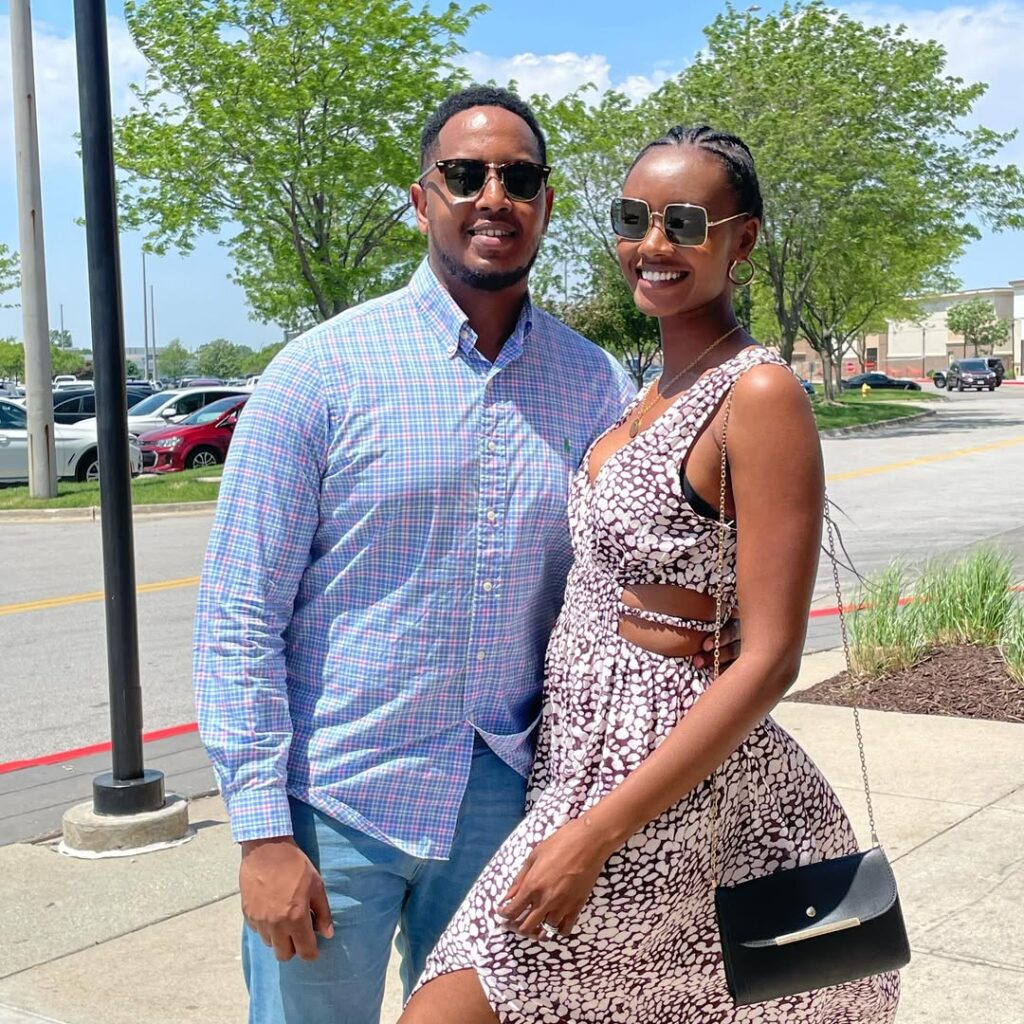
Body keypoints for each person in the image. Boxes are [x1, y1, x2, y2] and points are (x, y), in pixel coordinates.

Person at [193, 89, 737, 1024]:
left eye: (519, 178)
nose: (494, 196)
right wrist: (262, 834)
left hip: (508, 798)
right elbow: (239, 616)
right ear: (422, 199)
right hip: (337, 805)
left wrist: (699, 621)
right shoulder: (318, 374)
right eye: (464, 174)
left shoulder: (595, 383)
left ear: (547, 205)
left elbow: (622, 558)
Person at [401, 126, 901, 1023]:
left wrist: (596, 833)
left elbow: (771, 658)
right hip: (576, 764)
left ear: (743, 240)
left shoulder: (757, 393)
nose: (654, 244)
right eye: (634, 219)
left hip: (652, 792)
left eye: (686, 223)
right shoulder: (643, 392)